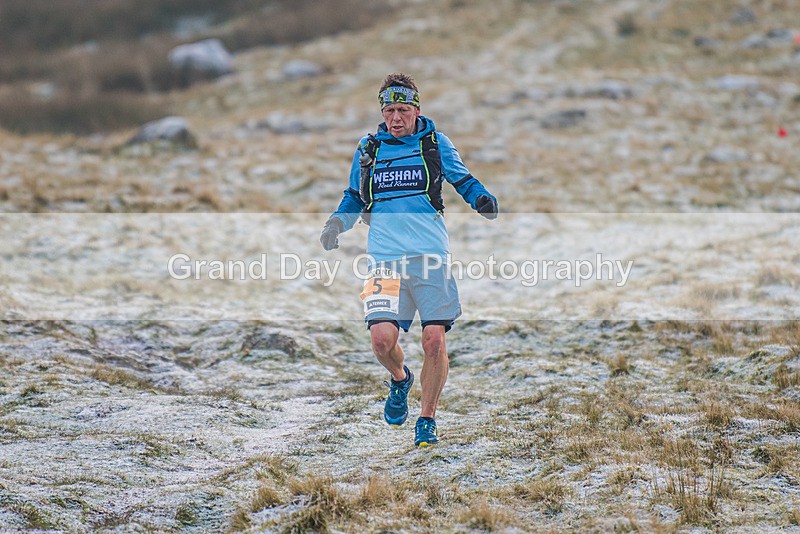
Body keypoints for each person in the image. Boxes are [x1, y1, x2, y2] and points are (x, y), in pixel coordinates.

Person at [320, 73, 498, 447]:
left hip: (430, 256)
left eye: (402, 110)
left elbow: (463, 180)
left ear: (416, 110)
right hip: (384, 259)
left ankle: (427, 420)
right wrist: (337, 223)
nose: (396, 118)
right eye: (389, 111)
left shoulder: (435, 143)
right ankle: (401, 379)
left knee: (433, 340)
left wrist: (481, 199)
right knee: (381, 341)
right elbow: (354, 195)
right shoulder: (368, 149)